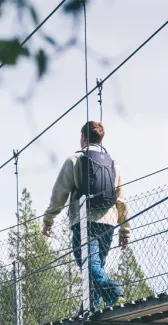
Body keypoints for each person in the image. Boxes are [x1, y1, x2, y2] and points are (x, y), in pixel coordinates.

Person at [42, 121, 130, 311]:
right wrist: (124, 231)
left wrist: (48, 219)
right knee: (96, 265)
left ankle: (114, 294)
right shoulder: (114, 164)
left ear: (83, 137)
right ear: (101, 139)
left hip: (84, 221)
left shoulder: (74, 160)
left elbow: (59, 194)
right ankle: (90, 307)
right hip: (108, 223)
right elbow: (121, 200)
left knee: (89, 264)